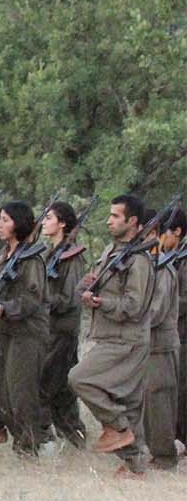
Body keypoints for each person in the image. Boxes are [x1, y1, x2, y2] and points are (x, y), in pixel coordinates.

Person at [70, 195, 156, 476]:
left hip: (126, 339)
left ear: (132, 221)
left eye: (116, 216)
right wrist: (86, 287)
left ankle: (117, 427)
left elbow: (134, 305)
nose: (109, 221)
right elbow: (93, 283)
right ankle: (135, 465)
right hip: (111, 335)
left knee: (80, 378)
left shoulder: (139, 260)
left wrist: (101, 303)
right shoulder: (111, 251)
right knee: (128, 401)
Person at [0, 201, 51, 455]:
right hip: (5, 332)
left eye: (5, 220)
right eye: (0, 219)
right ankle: (21, 442)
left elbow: (32, 297)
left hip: (27, 333)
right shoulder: (6, 255)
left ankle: (29, 447)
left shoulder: (31, 259)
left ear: (18, 224)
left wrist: (5, 307)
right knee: (5, 396)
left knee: (22, 393)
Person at [38, 201, 89, 448]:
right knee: (61, 391)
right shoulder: (50, 253)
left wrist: (41, 300)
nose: (44, 222)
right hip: (50, 329)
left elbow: (71, 298)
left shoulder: (72, 257)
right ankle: (74, 437)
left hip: (62, 332)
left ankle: (43, 438)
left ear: (62, 223)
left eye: (49, 218)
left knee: (45, 386)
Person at [144, 209, 182, 471]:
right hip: (148, 343)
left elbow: (155, 312)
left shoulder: (163, 268)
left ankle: (165, 457)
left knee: (160, 400)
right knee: (149, 399)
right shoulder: (149, 264)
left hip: (162, 344)